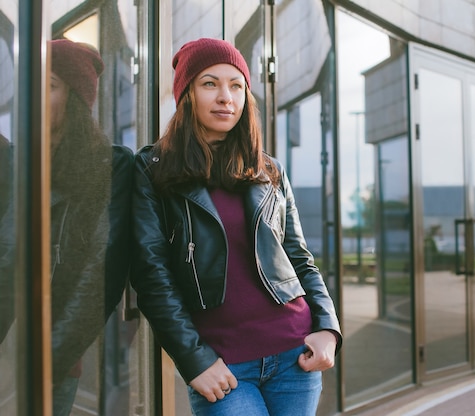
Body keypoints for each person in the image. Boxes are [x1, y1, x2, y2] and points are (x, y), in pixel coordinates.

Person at [131, 37, 342, 416]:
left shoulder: (268, 171)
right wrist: (194, 360)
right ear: (187, 95)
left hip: (294, 355)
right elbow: (152, 275)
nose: (225, 96)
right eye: (209, 83)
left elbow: (298, 258)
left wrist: (327, 327)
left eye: (236, 85)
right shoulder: (153, 170)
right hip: (224, 367)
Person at [0, 39, 134, 416]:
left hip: (52, 358)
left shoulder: (108, 167)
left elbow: (98, 275)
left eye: (51, 85)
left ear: (76, 98)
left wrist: (51, 362)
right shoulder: (12, 161)